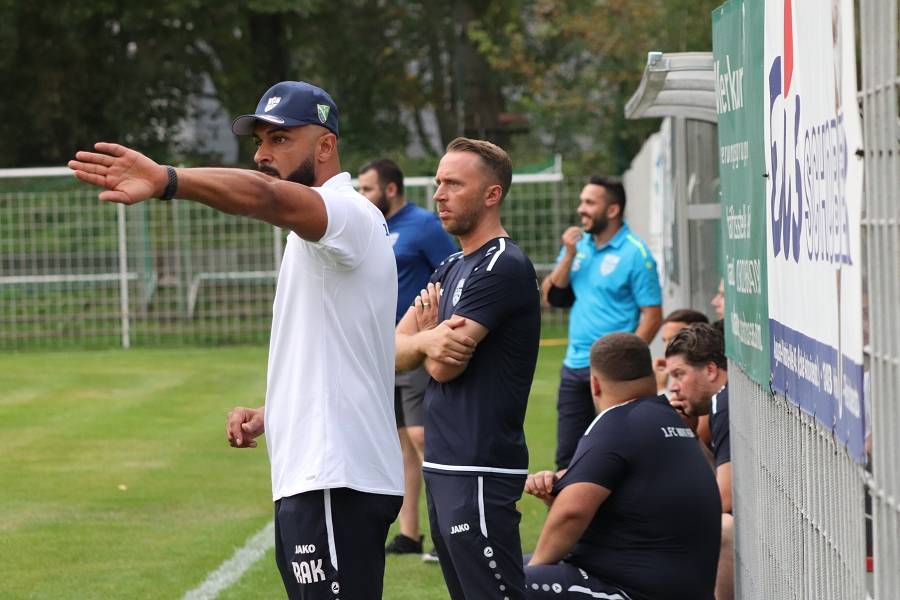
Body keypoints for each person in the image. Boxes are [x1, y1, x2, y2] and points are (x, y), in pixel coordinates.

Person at [68, 80, 404, 600]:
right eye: (259, 141)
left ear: (325, 145)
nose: (263, 155)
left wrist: (168, 179)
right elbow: (343, 353)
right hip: (321, 476)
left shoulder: (349, 214)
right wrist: (276, 412)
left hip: (336, 480)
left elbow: (265, 195)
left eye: (280, 139)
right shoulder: (323, 234)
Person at [395, 137, 541, 599]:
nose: (438, 194)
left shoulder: (502, 266)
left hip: (479, 468)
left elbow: (442, 370)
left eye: (454, 184)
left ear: (491, 195)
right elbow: (393, 351)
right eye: (438, 183)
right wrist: (427, 339)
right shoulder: (453, 264)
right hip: (444, 463)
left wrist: (423, 339)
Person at [524, 333, 721, 600]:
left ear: (594, 384)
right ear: (651, 374)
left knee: (505, 578)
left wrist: (534, 571)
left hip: (631, 591)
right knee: (511, 564)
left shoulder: (618, 423)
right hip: (670, 585)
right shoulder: (670, 419)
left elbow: (572, 512)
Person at [358, 158, 457, 556]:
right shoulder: (374, 227)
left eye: (367, 189)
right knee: (400, 441)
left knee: (421, 436)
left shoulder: (425, 225)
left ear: (391, 189)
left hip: (414, 347)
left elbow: (452, 273)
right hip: (382, 349)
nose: (362, 196)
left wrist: (432, 332)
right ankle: (410, 534)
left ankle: (446, 535)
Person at [543, 176, 663, 470]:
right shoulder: (578, 247)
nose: (580, 209)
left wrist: (623, 362)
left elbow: (653, 315)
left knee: (617, 454)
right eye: (582, 201)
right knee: (567, 460)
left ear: (612, 210)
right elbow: (550, 296)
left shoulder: (636, 253)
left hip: (613, 374)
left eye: (589, 203)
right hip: (575, 367)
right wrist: (569, 254)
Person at [665, 323, 733, 600]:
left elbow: (723, 499)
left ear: (711, 370)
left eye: (679, 374)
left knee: (719, 526)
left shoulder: (724, 402)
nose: (673, 387)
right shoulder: (721, 402)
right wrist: (689, 433)